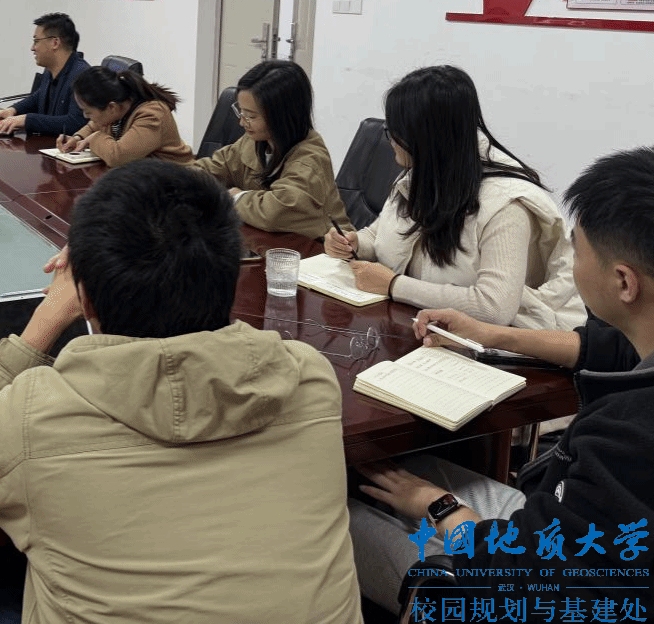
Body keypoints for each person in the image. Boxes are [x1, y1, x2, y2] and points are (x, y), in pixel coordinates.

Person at [0, 160, 362, 624]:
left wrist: (49, 315)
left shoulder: (35, 412)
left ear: (86, 302)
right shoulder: (309, 377)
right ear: (232, 274)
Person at [348, 145, 654, 613]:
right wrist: (490, 335)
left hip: (521, 584)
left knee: (336, 516)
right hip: (564, 528)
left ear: (624, 283)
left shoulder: (626, 436)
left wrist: (440, 507)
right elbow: (608, 349)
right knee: (399, 469)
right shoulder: (641, 356)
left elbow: (521, 572)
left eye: (578, 249)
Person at [324, 65, 584, 329]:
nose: (390, 139)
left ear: (427, 139)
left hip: (493, 343)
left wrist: (394, 285)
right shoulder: (421, 174)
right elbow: (381, 234)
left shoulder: (506, 205)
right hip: (417, 324)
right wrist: (356, 243)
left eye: (396, 131)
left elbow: (495, 308)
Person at [192, 59, 351, 239]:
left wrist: (235, 197)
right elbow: (215, 167)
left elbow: (275, 213)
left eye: (251, 116)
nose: (242, 122)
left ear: (282, 116)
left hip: (320, 248)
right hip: (269, 241)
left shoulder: (310, 160)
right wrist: (181, 178)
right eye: (241, 111)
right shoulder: (255, 141)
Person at [57, 66, 193, 166]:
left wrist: (94, 138)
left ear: (111, 107)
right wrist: (78, 138)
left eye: (88, 112)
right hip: (147, 180)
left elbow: (118, 157)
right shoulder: (119, 108)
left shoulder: (152, 115)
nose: (86, 116)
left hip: (178, 183)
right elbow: (95, 124)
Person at [0, 12, 89, 136]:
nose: (32, 48)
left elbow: (75, 123)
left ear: (55, 43)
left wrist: (27, 120)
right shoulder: (50, 69)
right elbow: (38, 97)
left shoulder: (82, 76)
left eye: (36, 41)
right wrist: (13, 110)